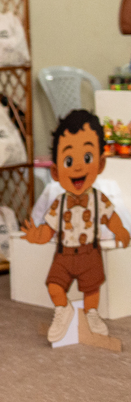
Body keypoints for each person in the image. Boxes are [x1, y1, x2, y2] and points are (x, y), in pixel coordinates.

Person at [21, 109, 130, 342]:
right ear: (56, 171)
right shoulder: (59, 203)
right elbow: (48, 228)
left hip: (90, 253)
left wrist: (120, 230)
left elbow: (111, 217)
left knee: (92, 289)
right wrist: (35, 236)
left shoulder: (99, 199)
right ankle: (63, 310)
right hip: (64, 254)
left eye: (87, 158)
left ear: (100, 164)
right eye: (69, 161)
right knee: (54, 285)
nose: (79, 167)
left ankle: (92, 314)